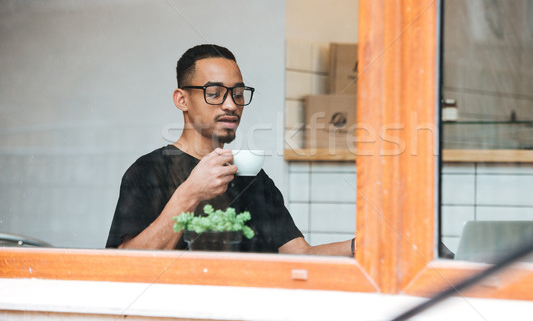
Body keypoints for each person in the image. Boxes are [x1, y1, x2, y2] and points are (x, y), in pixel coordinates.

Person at [106, 44, 355, 256]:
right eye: (214, 93)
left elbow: (300, 254)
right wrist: (190, 193)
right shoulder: (149, 171)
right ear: (182, 100)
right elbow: (126, 264)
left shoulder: (251, 177)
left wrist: (358, 246)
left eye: (237, 94)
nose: (230, 105)